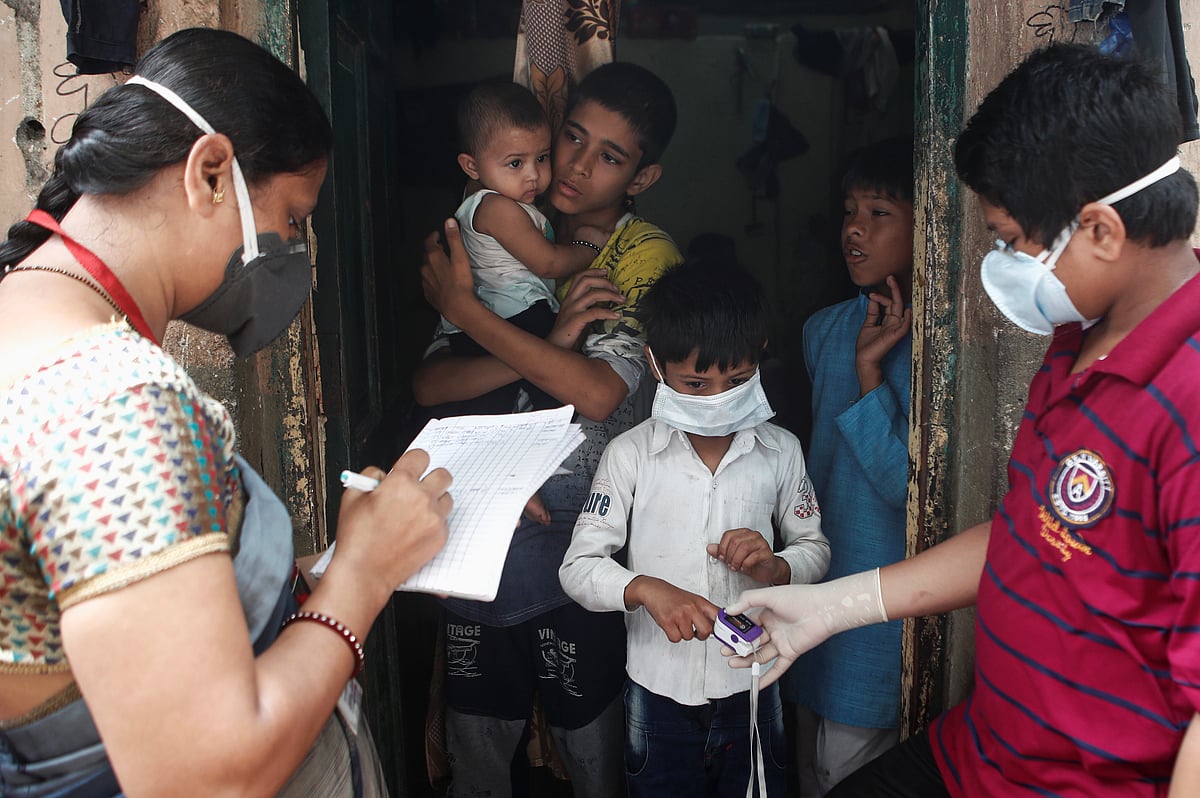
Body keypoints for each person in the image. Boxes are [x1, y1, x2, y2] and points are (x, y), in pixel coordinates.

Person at [726, 42, 1200, 797]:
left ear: (1104, 231)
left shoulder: (1189, 402)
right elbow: (1030, 526)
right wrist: (828, 608)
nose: (1006, 263)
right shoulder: (1082, 339)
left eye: (1015, 243)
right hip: (979, 753)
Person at [0, 28, 452, 797]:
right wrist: (363, 582)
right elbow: (207, 776)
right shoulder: (114, 407)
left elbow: (117, 629)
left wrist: (338, 563)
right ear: (211, 173)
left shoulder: (28, 323)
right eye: (293, 219)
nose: (294, 251)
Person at [418, 61, 682, 797]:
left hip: (584, 528)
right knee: (481, 719)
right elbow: (430, 384)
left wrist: (469, 314)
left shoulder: (640, 255)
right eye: (571, 138)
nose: (574, 166)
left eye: (611, 156)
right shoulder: (506, 237)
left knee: (585, 718)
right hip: (481, 519)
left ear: (642, 177)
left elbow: (598, 393)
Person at [559, 258, 831, 796]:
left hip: (754, 684)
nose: (718, 398)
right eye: (696, 383)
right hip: (657, 688)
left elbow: (814, 549)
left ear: (761, 355)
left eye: (737, 380)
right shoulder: (630, 455)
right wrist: (642, 587)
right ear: (655, 366)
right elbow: (579, 567)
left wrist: (776, 565)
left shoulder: (780, 451)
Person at [782, 135, 914, 795]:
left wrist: (871, 376)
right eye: (849, 211)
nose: (855, 229)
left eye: (880, 213)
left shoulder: (933, 344)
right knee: (807, 764)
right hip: (814, 577)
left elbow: (902, 488)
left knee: (847, 773)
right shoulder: (822, 329)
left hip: (877, 605)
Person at [430, 81, 608, 416]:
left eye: (541, 158)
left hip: (502, 317)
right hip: (517, 314)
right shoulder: (496, 208)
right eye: (515, 163)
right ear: (472, 166)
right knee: (556, 390)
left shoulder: (493, 201)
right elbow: (549, 264)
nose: (534, 176)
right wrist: (588, 247)